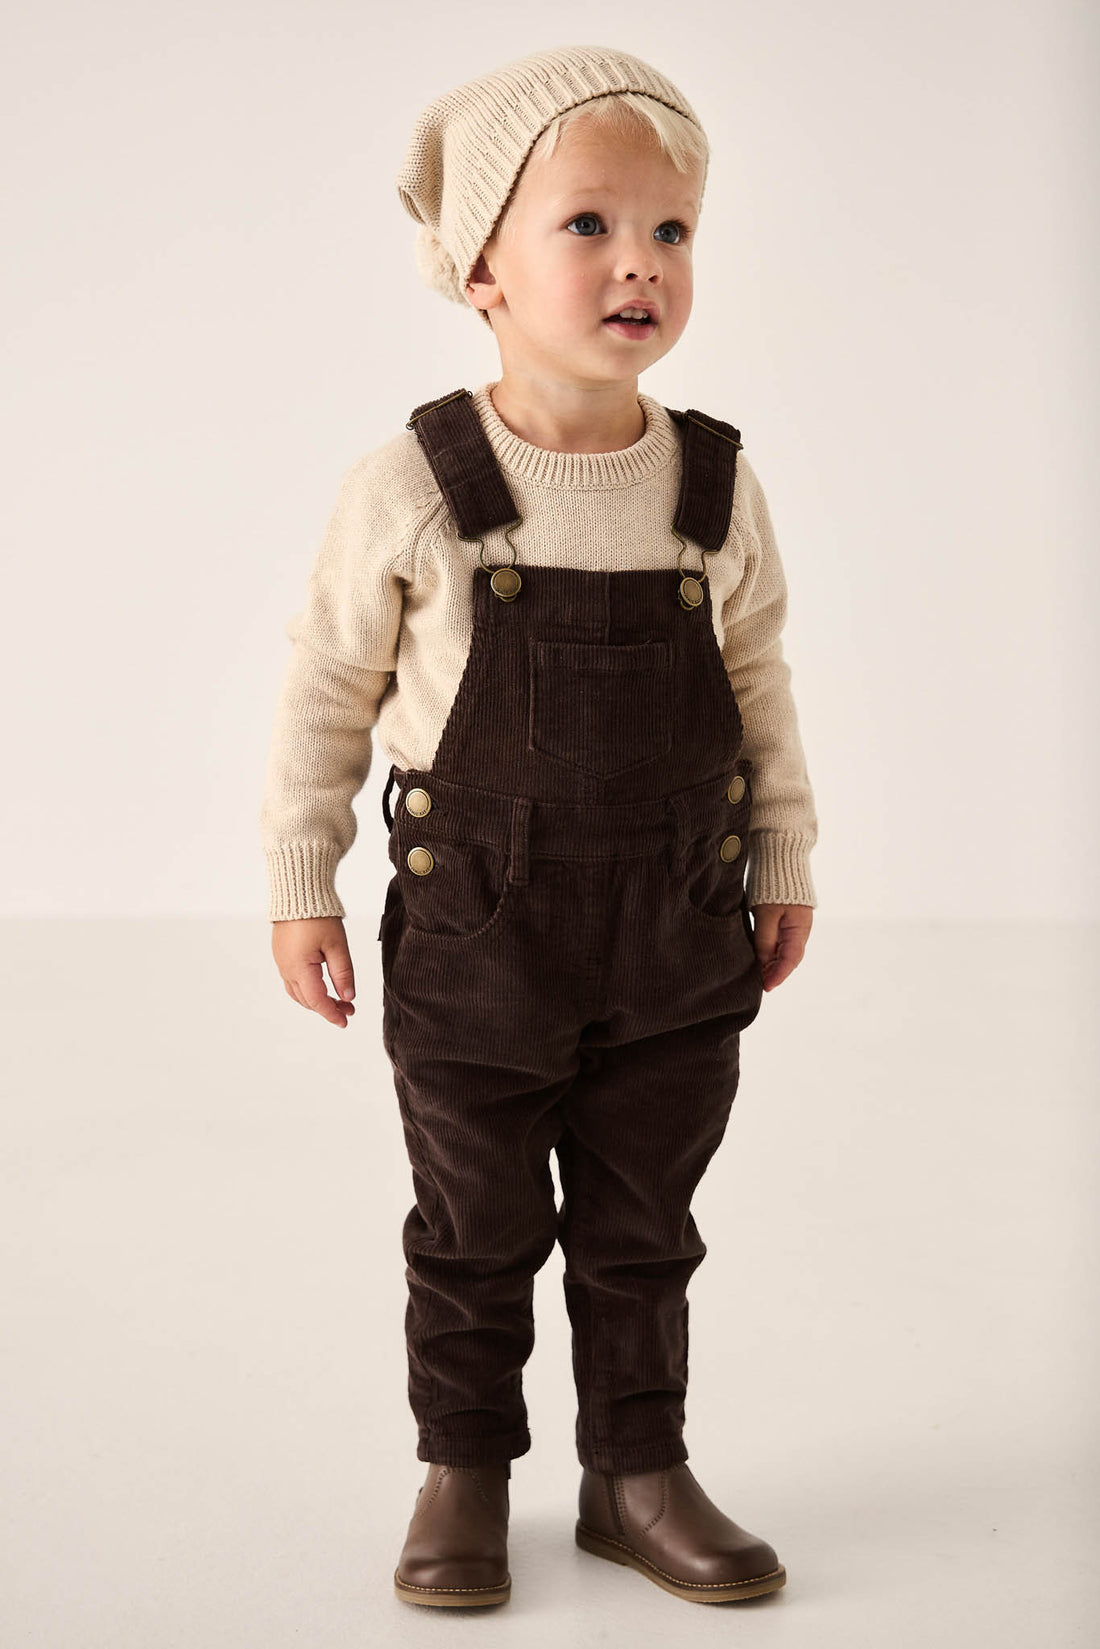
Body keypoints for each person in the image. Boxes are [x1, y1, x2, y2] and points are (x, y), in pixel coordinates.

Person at [260, 44, 818, 1610]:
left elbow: (758, 686)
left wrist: (784, 855)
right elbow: (326, 687)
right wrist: (301, 878)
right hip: (479, 932)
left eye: (672, 230)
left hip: (677, 924)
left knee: (644, 1221)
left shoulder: (712, 485)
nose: (641, 261)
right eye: (590, 224)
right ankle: (464, 1468)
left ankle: (637, 1472)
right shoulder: (417, 484)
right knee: (474, 1218)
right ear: (480, 269)